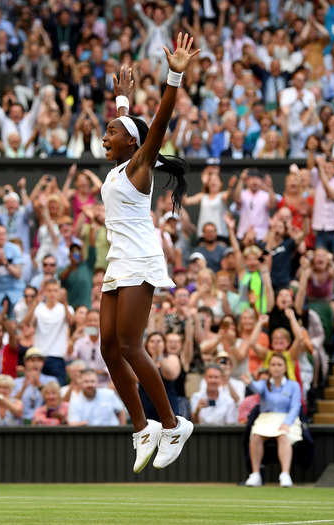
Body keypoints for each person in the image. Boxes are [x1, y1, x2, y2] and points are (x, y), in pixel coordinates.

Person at [100, 45, 198, 473]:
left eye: (110, 132)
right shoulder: (122, 165)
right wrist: (122, 101)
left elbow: (154, 124)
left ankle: (174, 424)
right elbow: (132, 128)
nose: (104, 136)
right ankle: (143, 428)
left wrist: (173, 78)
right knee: (107, 347)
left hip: (139, 261)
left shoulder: (140, 166)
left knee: (128, 344)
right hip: (117, 259)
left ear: (133, 143)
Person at [242, 353, 301, 488]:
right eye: (273, 365)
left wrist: (287, 423)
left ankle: (285, 474)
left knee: (283, 436)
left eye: (279, 365)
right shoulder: (264, 384)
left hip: (286, 417)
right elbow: (256, 388)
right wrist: (250, 382)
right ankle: (255, 474)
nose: (276, 368)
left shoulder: (294, 386)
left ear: (285, 368)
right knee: (256, 437)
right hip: (266, 418)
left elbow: (295, 406)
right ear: (269, 367)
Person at [23, 280, 72, 385]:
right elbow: (25, 324)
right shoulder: (39, 308)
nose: (52, 293)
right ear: (44, 292)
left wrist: (65, 303)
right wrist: (35, 304)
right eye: (49, 290)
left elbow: (71, 322)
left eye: (55, 290)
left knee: (57, 389)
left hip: (57, 356)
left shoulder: (66, 308)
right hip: (39, 356)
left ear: (59, 292)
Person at [191, 360, 245, 425]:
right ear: (205, 378)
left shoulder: (228, 401)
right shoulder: (196, 397)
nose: (213, 380)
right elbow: (193, 424)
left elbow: (230, 426)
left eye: (216, 377)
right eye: (210, 377)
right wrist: (197, 410)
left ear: (221, 379)